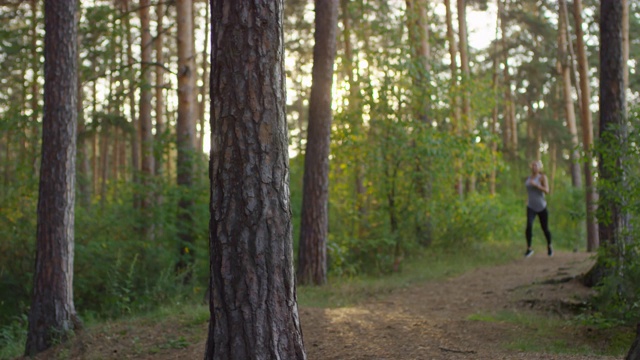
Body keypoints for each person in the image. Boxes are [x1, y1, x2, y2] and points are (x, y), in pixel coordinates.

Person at [524, 160, 552, 257]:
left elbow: (547, 191)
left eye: (536, 166)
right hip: (531, 206)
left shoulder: (542, 177)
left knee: (545, 228)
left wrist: (537, 185)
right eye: (533, 165)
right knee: (529, 225)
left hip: (541, 206)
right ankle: (529, 248)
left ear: (539, 168)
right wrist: (527, 200)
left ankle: (549, 245)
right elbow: (529, 191)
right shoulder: (528, 178)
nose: (534, 167)